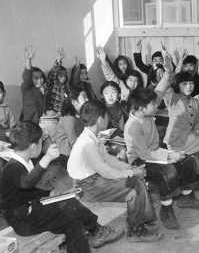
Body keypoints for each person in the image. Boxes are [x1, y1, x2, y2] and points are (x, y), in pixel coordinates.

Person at [0, 121, 123, 253]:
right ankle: (97, 230)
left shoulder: (24, 161)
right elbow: (26, 183)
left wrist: (49, 194)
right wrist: (46, 158)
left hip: (31, 211)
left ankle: (94, 236)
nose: (43, 144)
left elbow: (27, 191)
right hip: (24, 221)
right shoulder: (12, 166)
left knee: (74, 222)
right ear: (34, 146)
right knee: (70, 205)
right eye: (42, 142)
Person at [124, 53, 199, 230]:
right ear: (141, 109)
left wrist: (169, 67)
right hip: (140, 161)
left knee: (189, 160)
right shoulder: (133, 127)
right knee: (169, 170)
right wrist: (170, 155)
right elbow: (144, 154)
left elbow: (163, 83)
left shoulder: (145, 107)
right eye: (154, 105)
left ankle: (186, 197)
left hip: (154, 153)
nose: (157, 106)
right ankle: (166, 208)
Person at [67, 100, 164, 243]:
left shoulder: (92, 136)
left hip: (92, 179)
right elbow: (106, 172)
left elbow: (107, 159)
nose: (107, 119)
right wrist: (131, 173)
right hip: (86, 186)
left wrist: (129, 168)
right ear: (101, 119)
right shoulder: (87, 143)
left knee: (137, 181)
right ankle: (135, 231)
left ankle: (143, 218)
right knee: (134, 187)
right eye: (106, 116)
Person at [0, 78, 17, 200]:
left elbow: (14, 128)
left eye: (0, 92)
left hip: (5, 145)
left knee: (19, 159)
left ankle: (14, 192)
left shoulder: (6, 108)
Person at [98, 46, 143, 111]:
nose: (132, 83)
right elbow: (110, 75)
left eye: (136, 81)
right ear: (126, 79)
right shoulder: (121, 85)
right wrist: (104, 62)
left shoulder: (139, 93)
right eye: (130, 80)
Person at [54, 87, 88, 161]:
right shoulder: (69, 119)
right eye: (84, 97)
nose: (87, 100)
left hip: (74, 150)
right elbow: (74, 142)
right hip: (67, 155)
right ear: (74, 102)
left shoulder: (78, 114)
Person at [20, 46, 47, 123]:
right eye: (36, 78)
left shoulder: (44, 90)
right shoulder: (26, 88)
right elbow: (27, 75)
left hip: (41, 122)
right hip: (28, 123)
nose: (39, 80)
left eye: (41, 77)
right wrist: (28, 60)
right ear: (31, 79)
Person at [45, 48, 69, 115]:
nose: (63, 78)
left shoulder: (65, 88)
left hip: (61, 114)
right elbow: (54, 73)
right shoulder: (53, 84)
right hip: (51, 114)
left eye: (64, 76)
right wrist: (58, 60)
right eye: (60, 76)